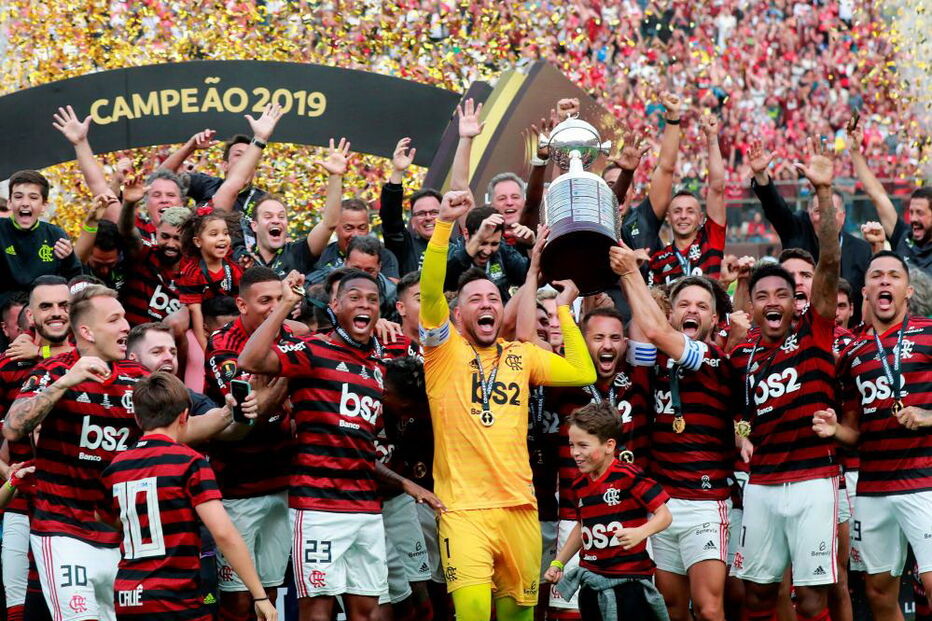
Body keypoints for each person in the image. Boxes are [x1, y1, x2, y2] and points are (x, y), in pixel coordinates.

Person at [419, 189, 596, 621]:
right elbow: (428, 292)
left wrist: (563, 311)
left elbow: (582, 373)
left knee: (518, 617)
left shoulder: (522, 356)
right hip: (463, 511)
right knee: (474, 615)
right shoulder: (442, 354)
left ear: (503, 312)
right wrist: (444, 224)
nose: (486, 304)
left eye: (493, 300)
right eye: (474, 300)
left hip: (520, 507)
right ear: (457, 316)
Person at [237, 268, 442, 621]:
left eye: (373, 300)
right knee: (318, 611)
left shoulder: (380, 366)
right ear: (334, 304)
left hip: (365, 507)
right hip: (318, 507)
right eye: (354, 298)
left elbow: (359, 450)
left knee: (369, 612)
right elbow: (250, 359)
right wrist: (285, 304)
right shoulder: (314, 349)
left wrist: (406, 484)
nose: (365, 304)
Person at [728, 138, 842, 621]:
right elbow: (736, 410)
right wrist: (740, 434)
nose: (773, 300)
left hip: (815, 481)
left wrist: (823, 194)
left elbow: (831, 262)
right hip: (762, 486)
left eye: (783, 292)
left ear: (797, 301)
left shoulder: (815, 332)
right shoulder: (741, 356)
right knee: (756, 593)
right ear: (751, 306)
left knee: (813, 598)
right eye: (762, 295)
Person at [2, 285, 149, 621]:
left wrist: (233, 414)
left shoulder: (139, 379)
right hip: (63, 529)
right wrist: (65, 383)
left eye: (125, 317)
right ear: (86, 331)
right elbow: (13, 427)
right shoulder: (52, 372)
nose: (126, 326)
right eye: (115, 319)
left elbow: (182, 431)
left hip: (121, 535)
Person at [613, 254, 736, 621]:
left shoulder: (713, 358)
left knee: (710, 608)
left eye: (701, 306)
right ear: (671, 313)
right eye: (683, 304)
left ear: (714, 320)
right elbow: (643, 332)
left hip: (705, 501)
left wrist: (630, 273)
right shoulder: (656, 363)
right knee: (671, 609)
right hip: (664, 502)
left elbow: (653, 332)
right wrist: (624, 277)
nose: (691, 310)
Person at [100, 371, 277, 621]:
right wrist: (259, 596)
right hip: (175, 597)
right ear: (185, 416)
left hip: (129, 597)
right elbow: (224, 533)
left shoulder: (117, 465)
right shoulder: (189, 462)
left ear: (138, 419)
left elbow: (104, 515)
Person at [816, 250, 932, 620]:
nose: (885, 281)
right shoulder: (852, 354)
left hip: (925, 482)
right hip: (874, 488)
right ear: (865, 290)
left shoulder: (929, 333)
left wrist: (929, 416)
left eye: (893, 276)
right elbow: (855, 433)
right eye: (876, 276)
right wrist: (836, 430)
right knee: (879, 591)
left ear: (908, 290)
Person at [543, 306, 652, 618]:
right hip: (575, 517)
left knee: (629, 611)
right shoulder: (564, 383)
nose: (608, 345)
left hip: (631, 521)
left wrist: (629, 271)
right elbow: (526, 337)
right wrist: (564, 299)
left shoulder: (638, 378)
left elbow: (647, 327)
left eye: (616, 338)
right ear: (582, 341)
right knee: (571, 613)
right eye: (598, 337)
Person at [203, 267, 293, 621]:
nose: (274, 308)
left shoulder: (293, 337)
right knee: (238, 600)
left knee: (269, 593)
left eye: (279, 299)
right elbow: (249, 410)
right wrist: (287, 379)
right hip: (236, 490)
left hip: (282, 484)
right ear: (241, 304)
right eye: (265, 301)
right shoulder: (223, 344)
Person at [543, 401, 673, 621]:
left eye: (583, 445)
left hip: (628, 584)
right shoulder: (579, 484)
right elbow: (582, 527)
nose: (575, 453)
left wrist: (640, 532)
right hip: (591, 582)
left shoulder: (628, 476)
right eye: (571, 445)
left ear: (609, 445)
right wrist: (558, 563)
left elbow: (665, 516)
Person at [0, 276, 73, 621]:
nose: (57, 313)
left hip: (77, 506)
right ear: (30, 315)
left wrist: (43, 352)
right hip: (21, 504)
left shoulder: (91, 362)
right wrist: (7, 474)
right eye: (46, 306)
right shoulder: (8, 366)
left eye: (64, 305)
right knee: (19, 609)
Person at [748, 136, 871, 322]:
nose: (823, 217)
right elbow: (775, 208)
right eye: (817, 211)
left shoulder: (862, 251)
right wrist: (761, 176)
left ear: (843, 216)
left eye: (830, 211)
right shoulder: (797, 230)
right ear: (808, 213)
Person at [244, 138, 350, 277]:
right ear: (254, 226)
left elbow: (329, 224)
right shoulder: (242, 259)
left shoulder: (297, 253)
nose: (276, 220)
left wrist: (335, 176)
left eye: (281, 216)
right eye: (268, 216)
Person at [847, 118, 932, 276]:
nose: (913, 219)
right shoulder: (902, 236)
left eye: (920, 213)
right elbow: (877, 195)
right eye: (911, 212)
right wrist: (855, 152)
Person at [648, 115, 726, 287]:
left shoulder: (710, 240)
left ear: (700, 218)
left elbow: (716, 188)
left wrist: (712, 138)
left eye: (690, 211)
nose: (683, 216)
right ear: (668, 217)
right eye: (677, 211)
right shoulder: (658, 261)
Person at [0, 171, 81, 306]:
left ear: (44, 205)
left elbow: (74, 280)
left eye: (33, 197)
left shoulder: (55, 235)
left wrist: (69, 258)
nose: (25, 203)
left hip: (44, 309)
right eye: (18, 197)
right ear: (9, 203)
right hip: (5, 312)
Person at [178, 210, 244, 352]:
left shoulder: (233, 269)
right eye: (214, 234)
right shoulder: (192, 272)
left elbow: (241, 301)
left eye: (225, 233)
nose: (222, 238)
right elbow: (195, 310)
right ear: (198, 241)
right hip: (202, 322)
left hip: (229, 321)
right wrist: (204, 345)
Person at [380, 136, 443, 274]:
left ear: (444, 215)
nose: (428, 218)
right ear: (413, 222)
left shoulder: (457, 249)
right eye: (421, 213)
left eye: (433, 212)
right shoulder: (405, 247)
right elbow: (391, 221)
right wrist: (397, 172)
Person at [445, 205, 531, 303]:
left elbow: (530, 280)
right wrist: (477, 241)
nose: (487, 251)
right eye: (482, 242)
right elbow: (447, 282)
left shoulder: (503, 250)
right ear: (466, 234)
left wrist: (532, 246)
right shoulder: (451, 253)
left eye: (494, 244)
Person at [312, 199, 400, 279]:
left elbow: (393, 290)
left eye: (362, 228)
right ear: (335, 228)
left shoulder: (384, 256)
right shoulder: (322, 256)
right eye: (349, 228)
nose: (355, 235)